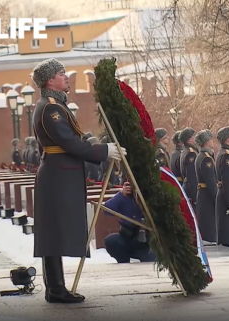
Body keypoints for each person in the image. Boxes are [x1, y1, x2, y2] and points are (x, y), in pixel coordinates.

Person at [31, 58, 126, 303]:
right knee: (53, 233)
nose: (66, 77)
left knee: (54, 232)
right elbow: (68, 143)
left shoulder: (54, 105)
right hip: (57, 176)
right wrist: (103, 152)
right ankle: (56, 289)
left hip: (58, 174)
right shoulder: (51, 108)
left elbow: (73, 139)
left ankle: (55, 288)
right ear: (50, 80)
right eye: (61, 73)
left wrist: (95, 146)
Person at [103, 181, 156, 263]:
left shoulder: (151, 196)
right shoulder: (125, 197)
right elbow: (107, 210)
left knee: (150, 260)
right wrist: (121, 195)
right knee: (111, 241)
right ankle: (123, 261)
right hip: (128, 238)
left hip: (147, 243)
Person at [215, 126, 229, 249]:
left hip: (224, 194)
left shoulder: (225, 153)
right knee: (228, 235)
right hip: (227, 196)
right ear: (227, 139)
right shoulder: (227, 156)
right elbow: (228, 181)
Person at [194, 129, 218, 243]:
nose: (213, 141)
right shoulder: (206, 158)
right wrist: (216, 198)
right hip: (206, 196)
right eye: (210, 139)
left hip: (203, 194)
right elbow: (211, 182)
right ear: (206, 142)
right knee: (209, 225)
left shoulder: (202, 155)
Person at [179, 127, 199, 208]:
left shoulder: (185, 151)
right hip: (191, 190)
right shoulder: (191, 153)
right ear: (189, 140)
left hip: (187, 186)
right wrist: (195, 197)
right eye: (194, 136)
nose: (195, 138)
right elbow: (192, 176)